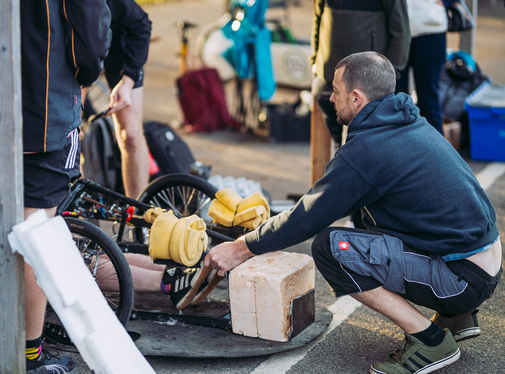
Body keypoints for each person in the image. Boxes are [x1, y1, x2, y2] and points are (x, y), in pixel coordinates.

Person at [204, 52, 502, 374]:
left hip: (461, 279)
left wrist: (239, 248)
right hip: (483, 264)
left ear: (356, 98)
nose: (330, 97)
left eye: (335, 90)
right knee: (362, 227)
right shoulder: (407, 119)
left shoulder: (368, 150)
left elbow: (307, 215)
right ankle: (456, 317)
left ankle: (431, 341)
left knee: (331, 247)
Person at [0, 1, 112, 373]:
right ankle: (27, 356)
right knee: (35, 228)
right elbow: (90, 31)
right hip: (43, 106)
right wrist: (85, 71)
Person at [310, 0, 411, 149]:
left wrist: (392, 70)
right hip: (328, 68)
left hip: (368, 77)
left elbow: (401, 30)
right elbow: (318, 19)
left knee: (365, 135)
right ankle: (342, 150)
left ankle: (349, 154)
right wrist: (314, 59)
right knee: (323, 96)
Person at [104, 0, 152, 199]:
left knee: (130, 135)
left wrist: (128, 80)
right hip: (60, 52)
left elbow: (141, 24)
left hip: (115, 45)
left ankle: (137, 217)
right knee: (68, 135)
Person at [395, 0, 452, 134]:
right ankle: (397, 151)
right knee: (396, 100)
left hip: (430, 27)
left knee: (428, 99)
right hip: (395, 28)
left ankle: (437, 153)